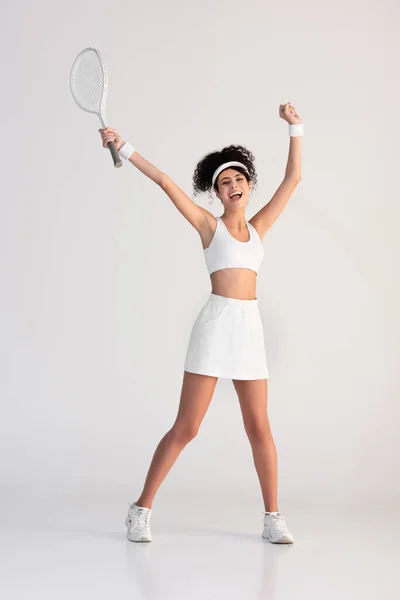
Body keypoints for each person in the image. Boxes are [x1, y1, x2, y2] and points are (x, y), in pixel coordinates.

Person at [99, 102, 303, 544]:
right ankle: (140, 508)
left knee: (259, 427)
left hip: (249, 329)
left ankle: (272, 517)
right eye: (223, 181)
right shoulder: (209, 227)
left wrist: (295, 127)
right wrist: (123, 144)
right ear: (216, 192)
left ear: (249, 187)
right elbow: (166, 182)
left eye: (239, 179)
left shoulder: (260, 226)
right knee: (187, 427)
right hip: (214, 326)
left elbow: (293, 180)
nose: (232, 185)